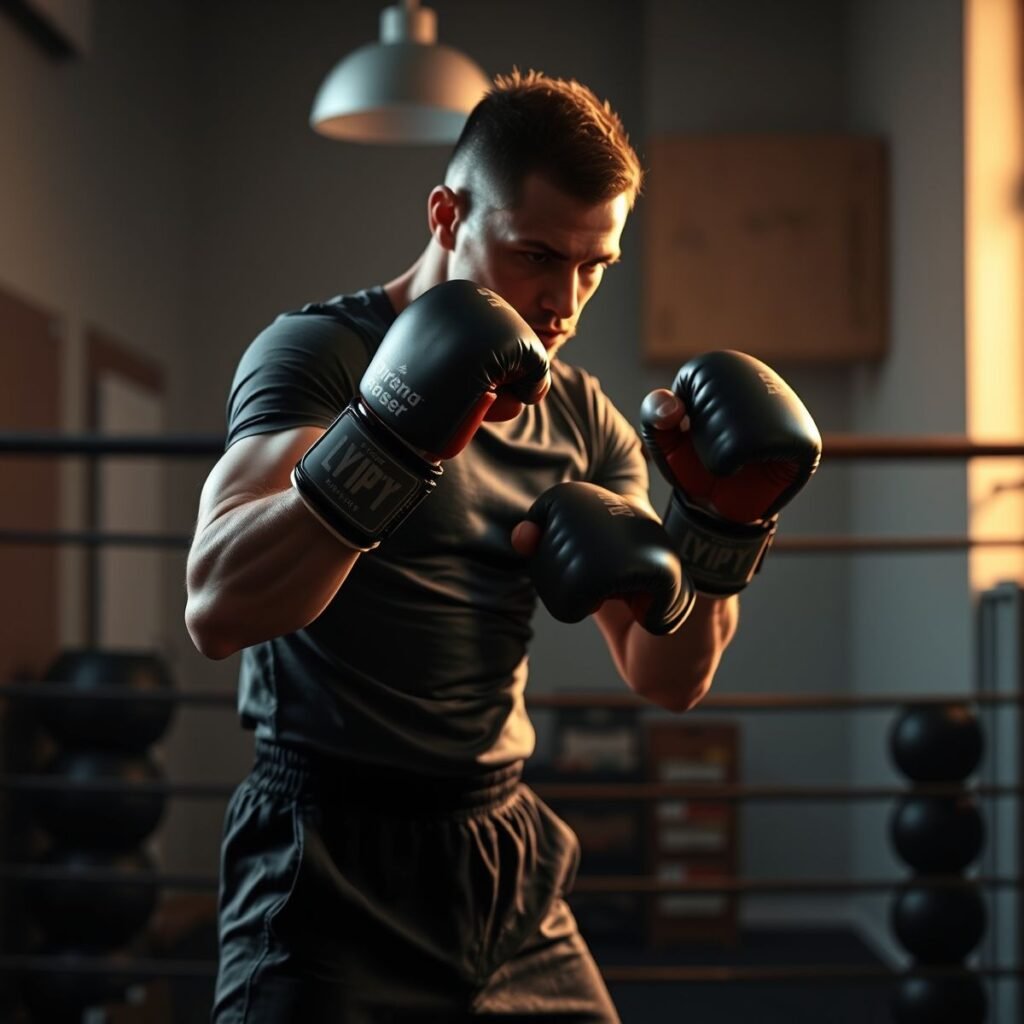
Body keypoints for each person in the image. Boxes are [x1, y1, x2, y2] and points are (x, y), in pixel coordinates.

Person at [185, 69, 821, 1023]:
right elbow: (218, 607)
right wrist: (387, 441)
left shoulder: (585, 419)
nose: (564, 299)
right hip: (328, 850)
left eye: (594, 264)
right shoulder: (319, 356)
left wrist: (718, 533)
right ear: (446, 214)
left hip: (501, 845)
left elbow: (667, 676)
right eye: (534, 255)